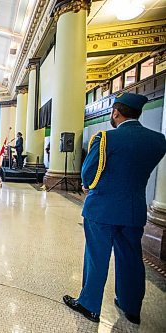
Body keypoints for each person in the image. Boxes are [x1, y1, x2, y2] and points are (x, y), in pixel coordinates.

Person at [63, 93, 166, 324]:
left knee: (97, 257)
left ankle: (89, 305)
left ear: (116, 112)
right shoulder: (158, 141)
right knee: (131, 257)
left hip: (102, 210)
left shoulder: (106, 138)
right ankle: (131, 307)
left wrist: (89, 185)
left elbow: (88, 175)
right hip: (134, 210)